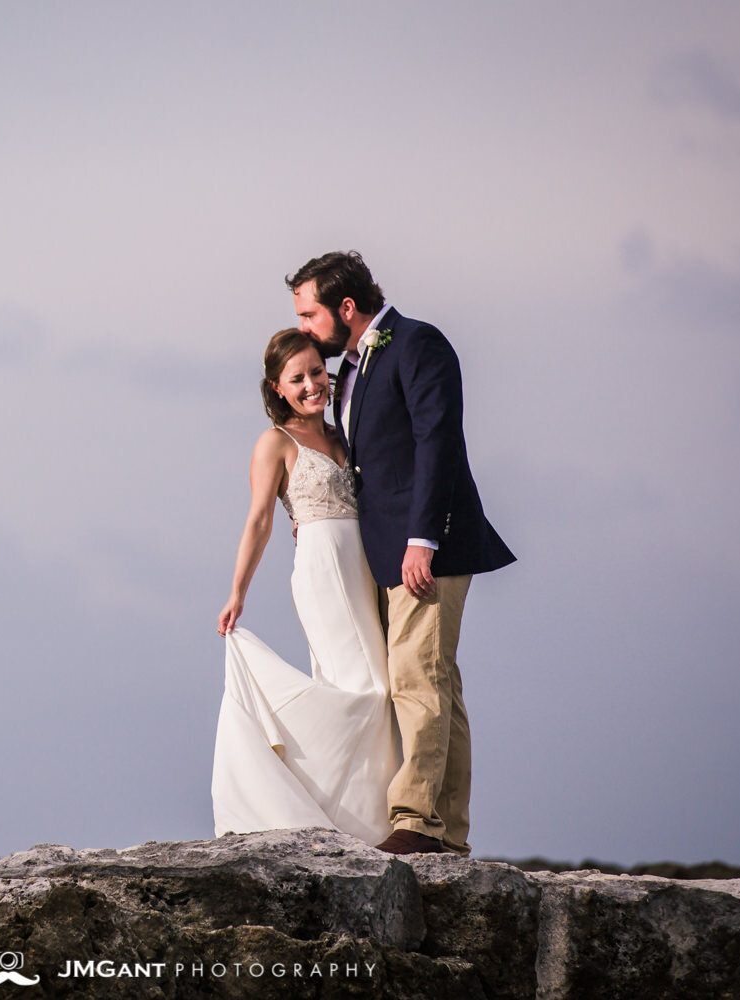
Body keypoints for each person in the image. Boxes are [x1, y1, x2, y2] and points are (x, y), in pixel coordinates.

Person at [288, 250, 515, 856]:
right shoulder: (353, 370)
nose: (305, 329)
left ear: (345, 307)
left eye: (310, 315)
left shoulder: (418, 343)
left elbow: (435, 440)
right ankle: (449, 831)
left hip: (428, 548)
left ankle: (415, 821)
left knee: (418, 681)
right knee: (438, 687)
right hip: (386, 552)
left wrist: (423, 540)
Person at [211, 329, 399, 846]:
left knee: (370, 690)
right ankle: (330, 810)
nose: (312, 384)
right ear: (277, 388)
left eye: (317, 371)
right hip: (322, 570)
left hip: (365, 567)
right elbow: (259, 522)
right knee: (370, 689)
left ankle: (352, 818)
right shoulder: (276, 442)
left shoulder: (344, 436)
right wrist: (238, 592)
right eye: (297, 378)